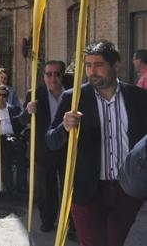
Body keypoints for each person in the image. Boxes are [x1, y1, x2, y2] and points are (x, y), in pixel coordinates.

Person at [47, 40, 147, 246]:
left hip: (127, 191)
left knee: (114, 242)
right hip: (87, 191)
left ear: (116, 66)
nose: (92, 71)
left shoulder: (138, 98)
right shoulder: (73, 99)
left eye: (99, 65)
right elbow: (51, 141)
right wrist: (64, 127)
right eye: (88, 65)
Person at [19, 60, 67, 232]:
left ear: (62, 75)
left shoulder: (71, 94)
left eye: (57, 74)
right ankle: (48, 220)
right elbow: (21, 120)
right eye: (49, 74)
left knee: (68, 187)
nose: (53, 77)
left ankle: (70, 224)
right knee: (45, 189)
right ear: (44, 76)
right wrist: (28, 111)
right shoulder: (35, 94)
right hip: (43, 149)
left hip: (66, 148)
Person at [0, 84, 27, 193]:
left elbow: (21, 122)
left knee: (23, 152)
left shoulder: (14, 109)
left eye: (4, 95)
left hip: (14, 138)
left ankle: (21, 185)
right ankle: (9, 185)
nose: (1, 97)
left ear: (7, 96)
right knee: (5, 152)